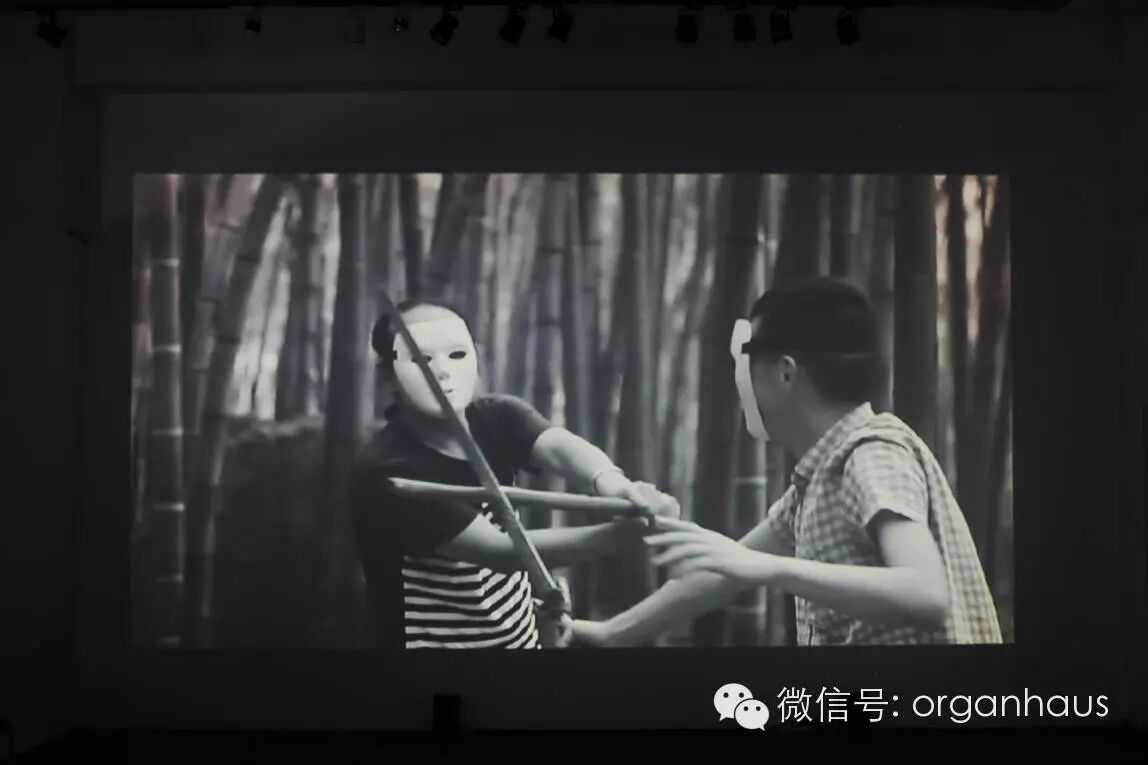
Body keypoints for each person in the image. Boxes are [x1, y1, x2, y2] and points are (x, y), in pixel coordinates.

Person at [572, 277, 1002, 646]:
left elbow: (925, 594)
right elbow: (721, 576)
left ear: (785, 372)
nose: (742, 386)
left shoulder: (870, 454)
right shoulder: (814, 484)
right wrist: (611, 634)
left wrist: (767, 569)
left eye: (748, 367)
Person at [350, 298, 679, 649]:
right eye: (420, 360)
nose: (441, 372)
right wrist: (626, 533)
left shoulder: (497, 416)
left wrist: (612, 483)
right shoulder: (389, 471)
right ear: (388, 375)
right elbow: (500, 552)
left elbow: (559, 447)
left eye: (456, 354)